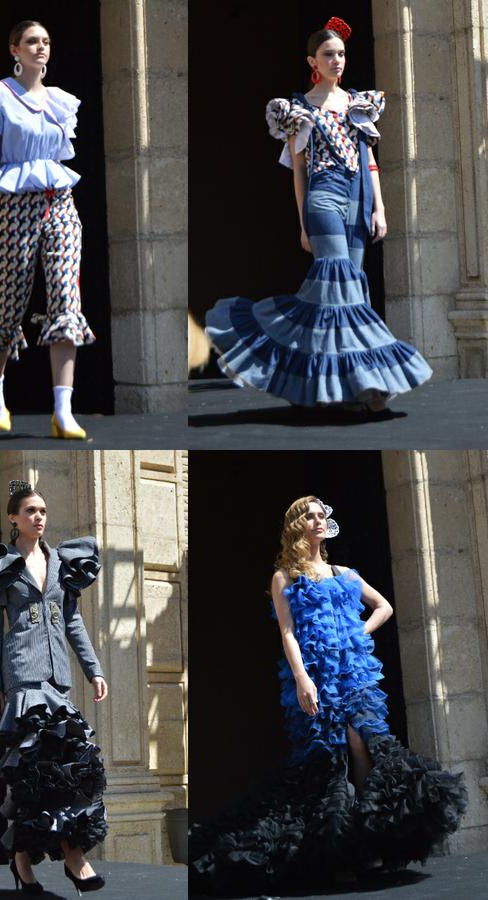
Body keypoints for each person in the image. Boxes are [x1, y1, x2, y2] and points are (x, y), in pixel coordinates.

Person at [189, 496, 467, 893]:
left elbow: (383, 607)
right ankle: (337, 853)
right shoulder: (285, 576)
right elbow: (287, 632)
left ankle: (364, 840)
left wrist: (357, 635)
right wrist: (302, 677)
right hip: (316, 677)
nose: (319, 521)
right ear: (296, 525)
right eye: (311, 516)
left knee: (365, 744)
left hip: (355, 674)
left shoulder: (344, 572)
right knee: (331, 756)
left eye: (322, 515)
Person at [204, 16, 431, 412]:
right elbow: (299, 172)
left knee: (348, 292)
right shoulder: (298, 110)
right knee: (341, 285)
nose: (337, 61)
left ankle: (338, 387)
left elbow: (369, 162)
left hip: (357, 200)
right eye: (329, 54)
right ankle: (369, 389)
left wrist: (380, 207)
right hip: (323, 199)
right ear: (313, 61)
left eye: (341, 54)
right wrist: (303, 223)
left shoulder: (358, 103)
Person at [0, 480, 108, 895]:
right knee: (39, 772)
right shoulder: (2, 565)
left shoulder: (62, 562)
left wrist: (93, 669)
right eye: (31, 511)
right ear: (13, 518)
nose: (39, 517)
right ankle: (73, 858)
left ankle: (22, 863)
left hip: (59, 679)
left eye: (42, 510)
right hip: (22, 676)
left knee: (62, 772)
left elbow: (72, 621)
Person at [0, 20, 95, 439]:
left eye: (46, 41)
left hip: (60, 203)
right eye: (31, 41)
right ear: (15, 50)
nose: (40, 47)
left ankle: (63, 410)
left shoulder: (60, 101)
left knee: (66, 300)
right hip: (12, 207)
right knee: (10, 304)